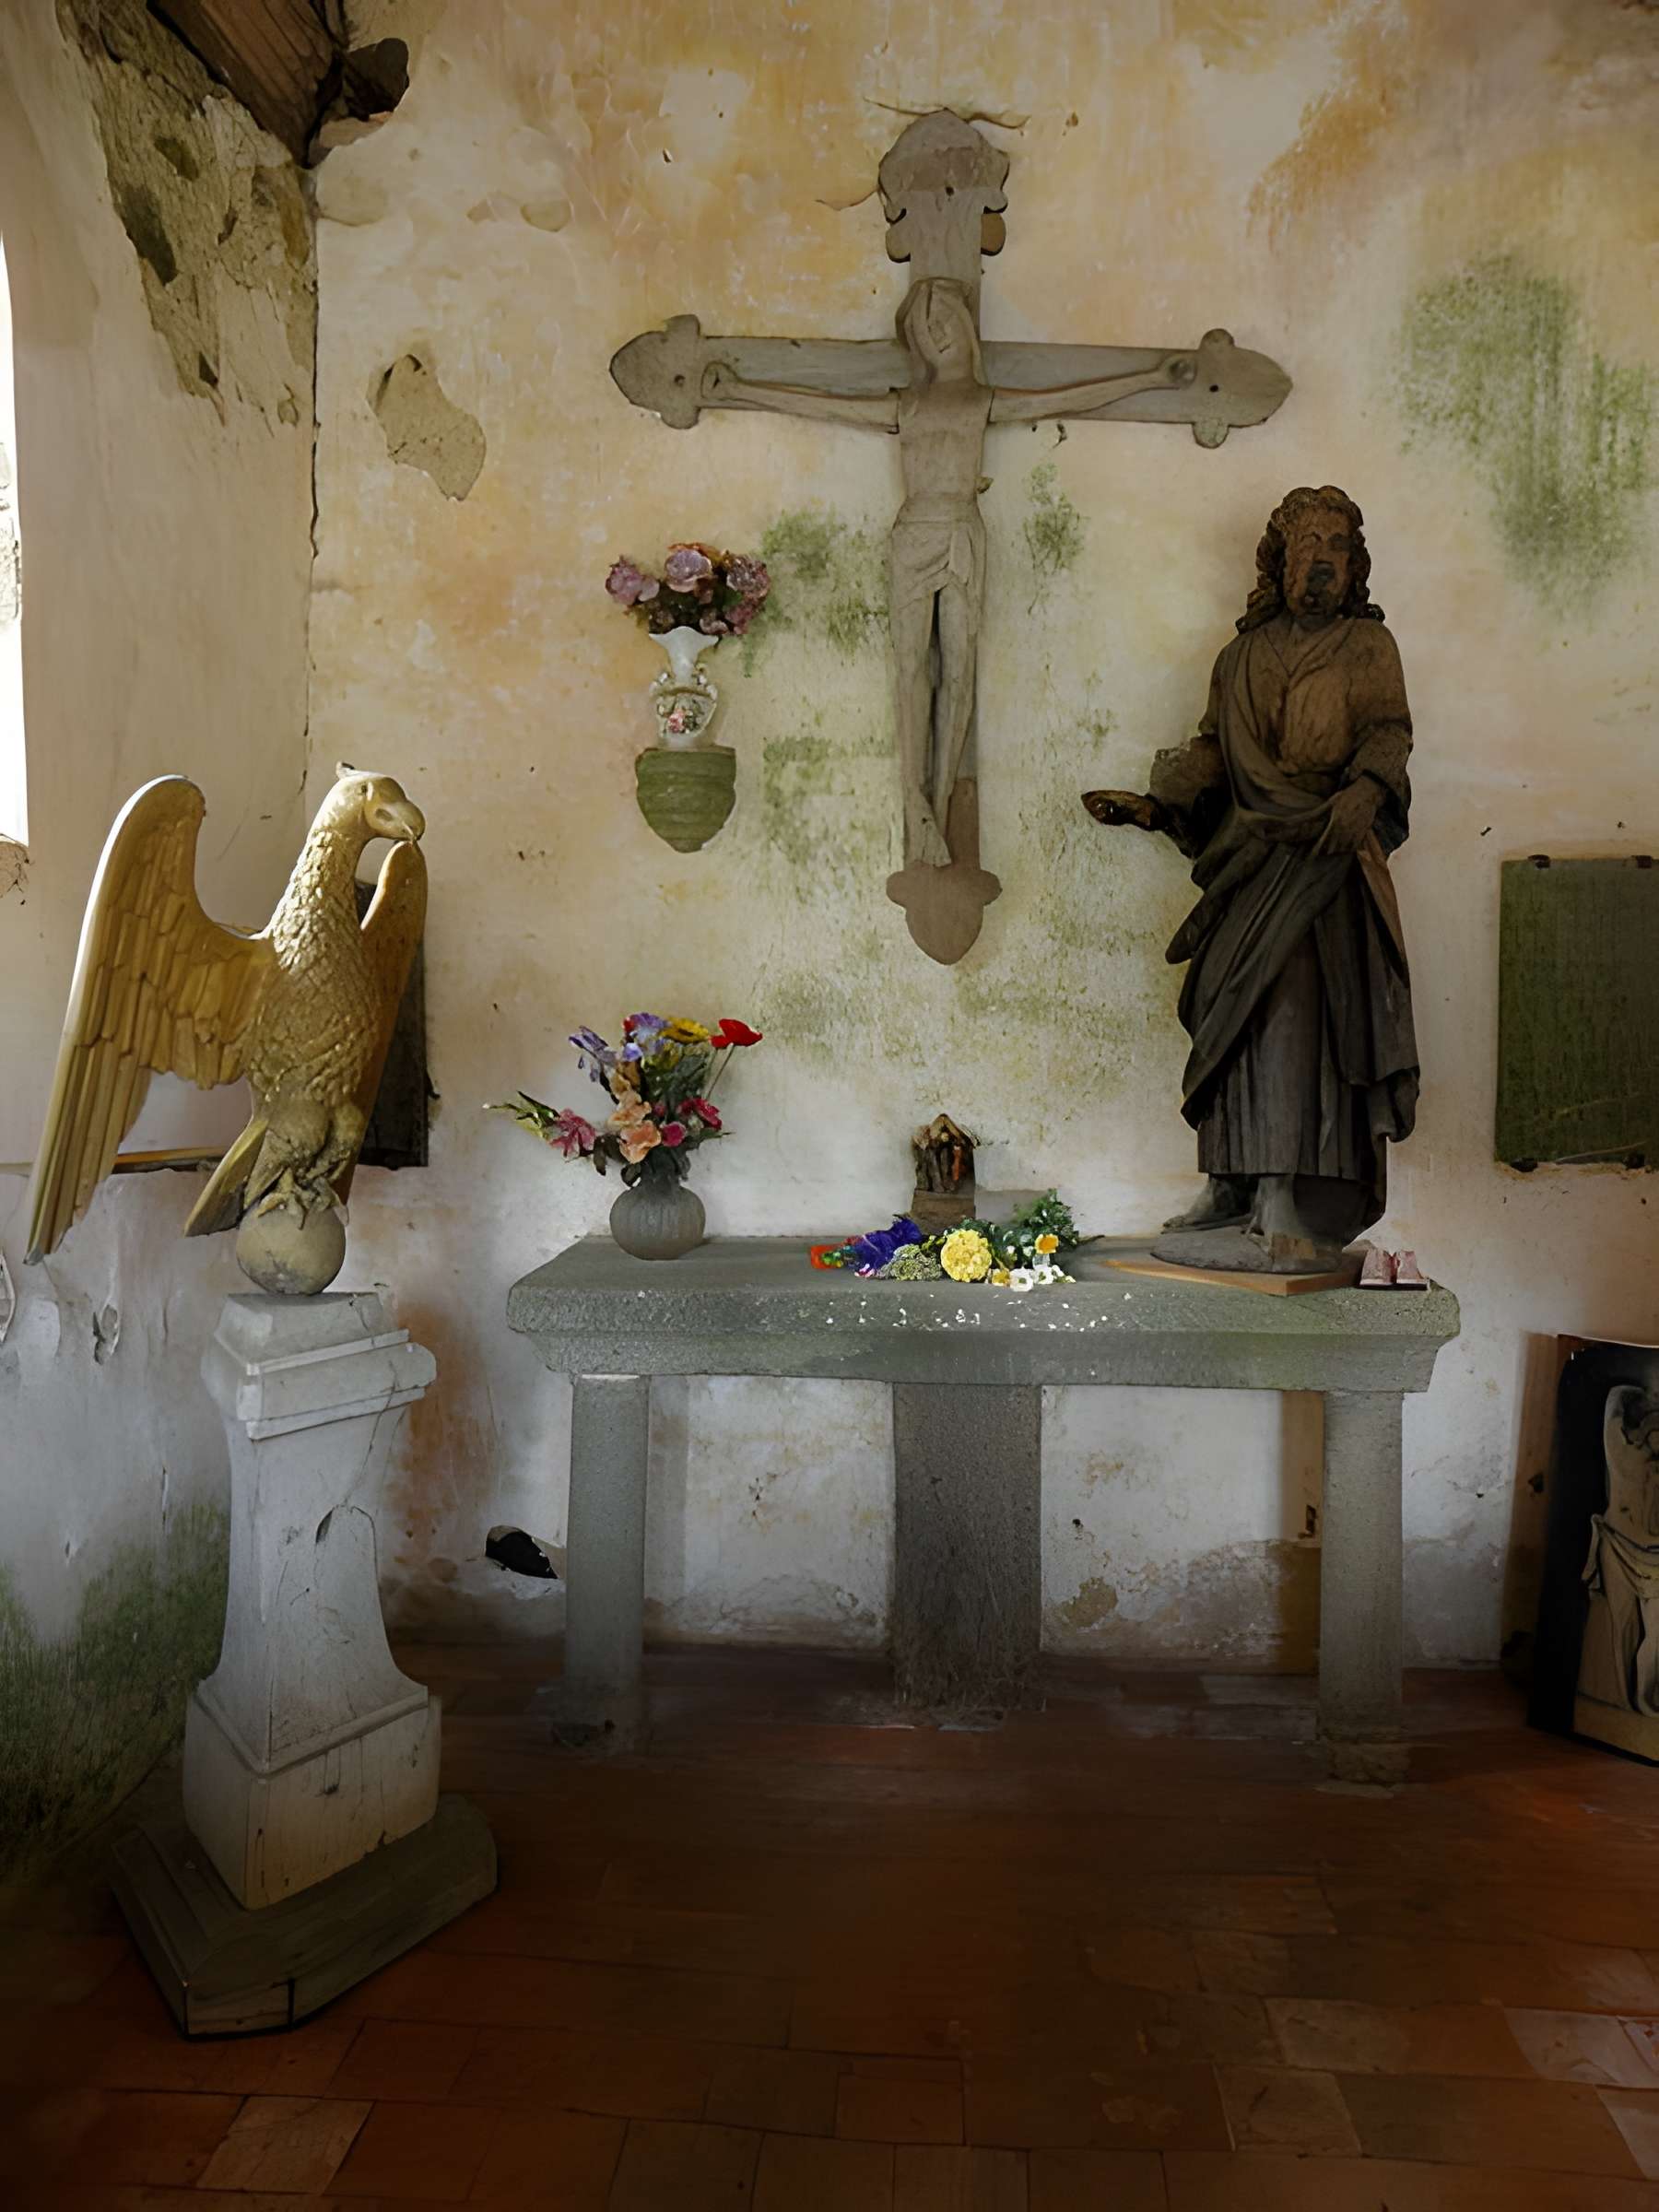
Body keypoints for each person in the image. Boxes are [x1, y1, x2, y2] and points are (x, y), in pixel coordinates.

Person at [1086, 485, 1418, 1270]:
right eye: (1307, 545)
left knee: (1296, 1019)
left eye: (1337, 546)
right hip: (1250, 858)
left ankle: (1284, 1191)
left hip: (1326, 865)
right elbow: (1211, 752)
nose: (1322, 562)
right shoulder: (1240, 658)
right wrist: (1156, 803)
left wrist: (1365, 792)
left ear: (1353, 564)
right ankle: (1229, 1185)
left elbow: (1389, 733)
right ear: (1279, 560)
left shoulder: (1369, 649)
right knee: (1223, 1019)